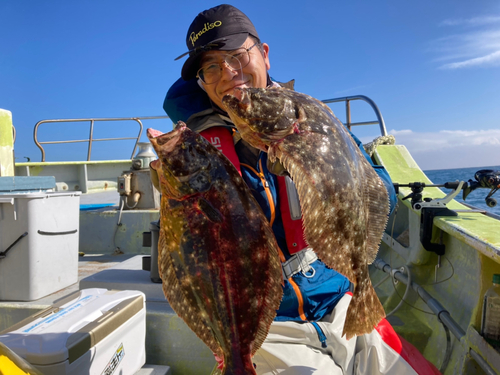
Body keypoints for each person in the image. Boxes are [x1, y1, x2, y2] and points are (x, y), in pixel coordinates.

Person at [160, 4, 441, 375]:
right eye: (211, 66)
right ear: (201, 82)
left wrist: (323, 178)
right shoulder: (194, 150)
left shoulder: (310, 119)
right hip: (268, 325)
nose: (228, 73)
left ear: (264, 54)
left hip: (341, 299)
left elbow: (381, 191)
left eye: (236, 55)